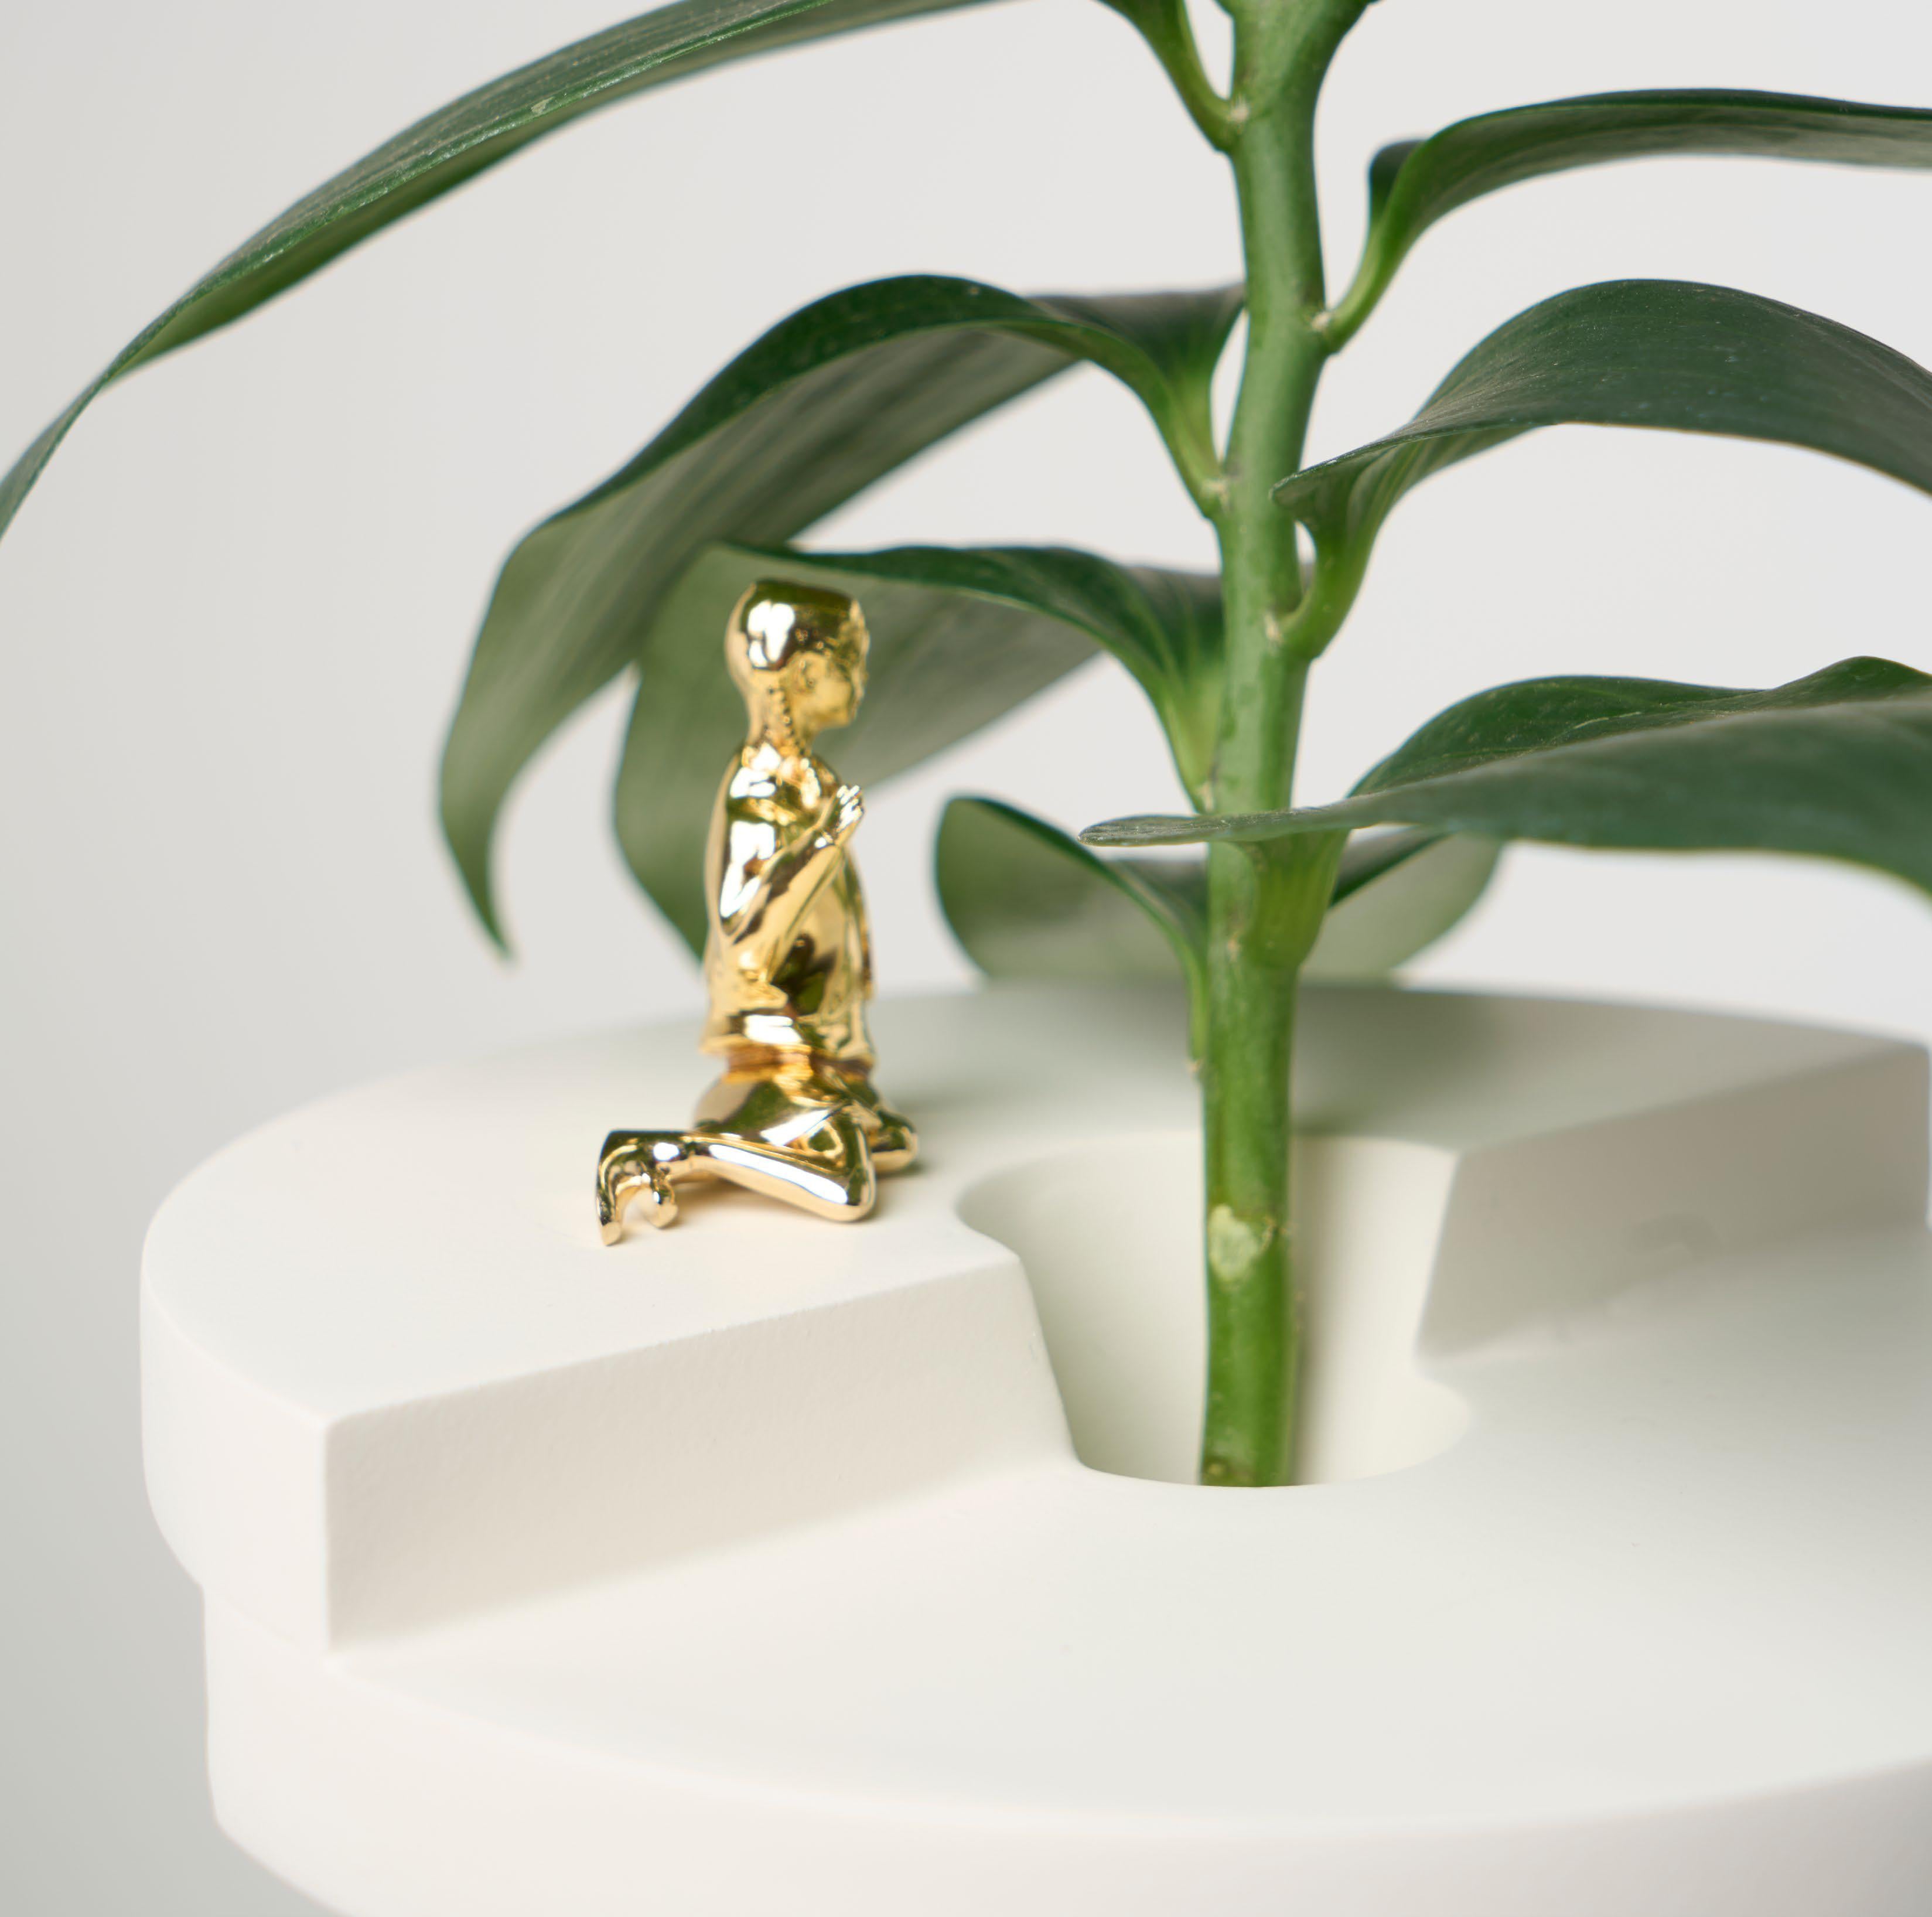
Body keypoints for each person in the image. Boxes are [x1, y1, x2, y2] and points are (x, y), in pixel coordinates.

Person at [597, 581, 917, 1239]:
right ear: (808, 674)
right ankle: (671, 1152)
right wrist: (822, 844)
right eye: (851, 662)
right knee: (848, 1190)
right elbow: (744, 942)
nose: (862, 679)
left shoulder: (815, 783)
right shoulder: (757, 793)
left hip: (821, 1052)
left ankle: (768, 1126)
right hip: (771, 1055)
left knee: (897, 1143)